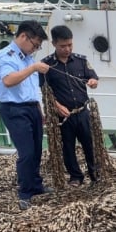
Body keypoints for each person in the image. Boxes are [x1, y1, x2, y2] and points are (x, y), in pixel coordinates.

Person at [0, 20, 52, 210]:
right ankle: (25, 192)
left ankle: (36, 185)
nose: (35, 49)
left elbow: (31, 88)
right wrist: (33, 68)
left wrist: (39, 109)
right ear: (23, 36)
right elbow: (9, 80)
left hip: (31, 107)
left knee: (36, 150)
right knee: (26, 152)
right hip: (14, 109)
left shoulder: (26, 57)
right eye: (35, 44)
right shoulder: (7, 56)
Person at [40, 25, 99, 187]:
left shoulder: (81, 61)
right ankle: (76, 176)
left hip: (82, 112)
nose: (67, 49)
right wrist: (56, 105)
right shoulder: (46, 66)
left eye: (70, 45)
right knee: (68, 147)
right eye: (63, 46)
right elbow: (45, 91)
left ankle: (95, 173)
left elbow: (93, 78)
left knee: (90, 144)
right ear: (54, 44)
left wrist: (93, 82)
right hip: (63, 116)